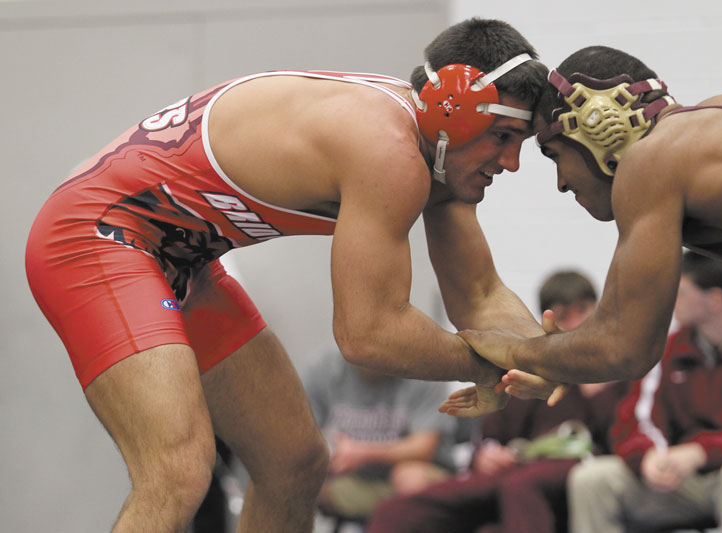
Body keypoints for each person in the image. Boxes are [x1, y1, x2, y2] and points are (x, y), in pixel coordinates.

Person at [24, 18, 559, 531]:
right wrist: (500, 364)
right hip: (100, 234)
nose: (510, 163)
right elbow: (370, 335)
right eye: (504, 136)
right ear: (453, 113)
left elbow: (481, 293)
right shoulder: (388, 150)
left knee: (295, 464)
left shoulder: (440, 156)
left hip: (181, 254)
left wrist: (541, 357)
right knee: (178, 471)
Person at [454, 44, 722, 397]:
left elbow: (625, 349)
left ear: (598, 125)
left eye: (554, 155)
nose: (560, 183)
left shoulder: (652, 162)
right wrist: (556, 360)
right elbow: (609, 329)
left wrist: (513, 350)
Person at [368, 271, 629, 533]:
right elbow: (491, 433)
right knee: (399, 510)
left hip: (576, 470)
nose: (574, 323)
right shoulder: (531, 371)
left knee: (519, 488)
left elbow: (623, 444)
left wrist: (595, 385)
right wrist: (487, 454)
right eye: (562, 316)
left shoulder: (618, 372)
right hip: (514, 474)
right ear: (546, 324)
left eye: (582, 311)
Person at [568, 252, 722, 533]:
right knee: (591, 478)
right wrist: (649, 456)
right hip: (683, 479)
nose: (669, 302)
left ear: (714, 299)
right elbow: (635, 418)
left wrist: (702, 451)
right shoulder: (668, 350)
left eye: (679, 293)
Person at [303, 350, 455, 523]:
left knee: (409, 477)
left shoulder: (424, 369)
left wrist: (363, 453)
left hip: (419, 480)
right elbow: (299, 437)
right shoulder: (324, 369)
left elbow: (424, 448)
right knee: (296, 480)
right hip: (358, 482)